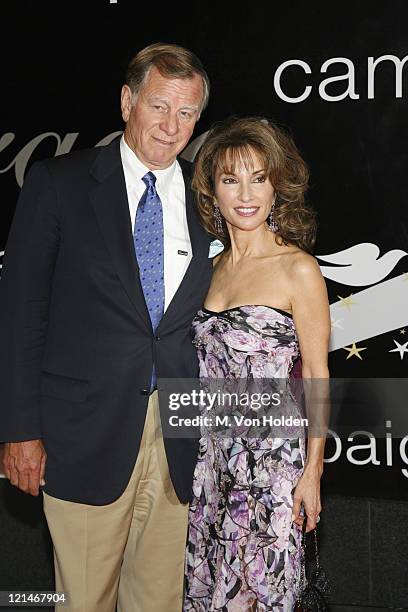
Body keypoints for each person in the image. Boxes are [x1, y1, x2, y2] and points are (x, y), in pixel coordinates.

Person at [0, 43, 213, 612]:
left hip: (178, 438)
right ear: (127, 101)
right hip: (81, 437)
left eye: (187, 112)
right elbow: (21, 317)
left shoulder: (208, 196)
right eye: (160, 105)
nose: (172, 127)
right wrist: (19, 431)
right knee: (82, 601)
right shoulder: (58, 184)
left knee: (159, 601)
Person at [183, 117, 330, 610]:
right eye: (230, 179)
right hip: (209, 466)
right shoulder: (206, 271)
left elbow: (316, 376)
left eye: (258, 178)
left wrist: (312, 472)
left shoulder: (298, 268)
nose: (245, 194)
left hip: (271, 472)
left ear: (276, 188)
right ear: (212, 192)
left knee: (259, 595)